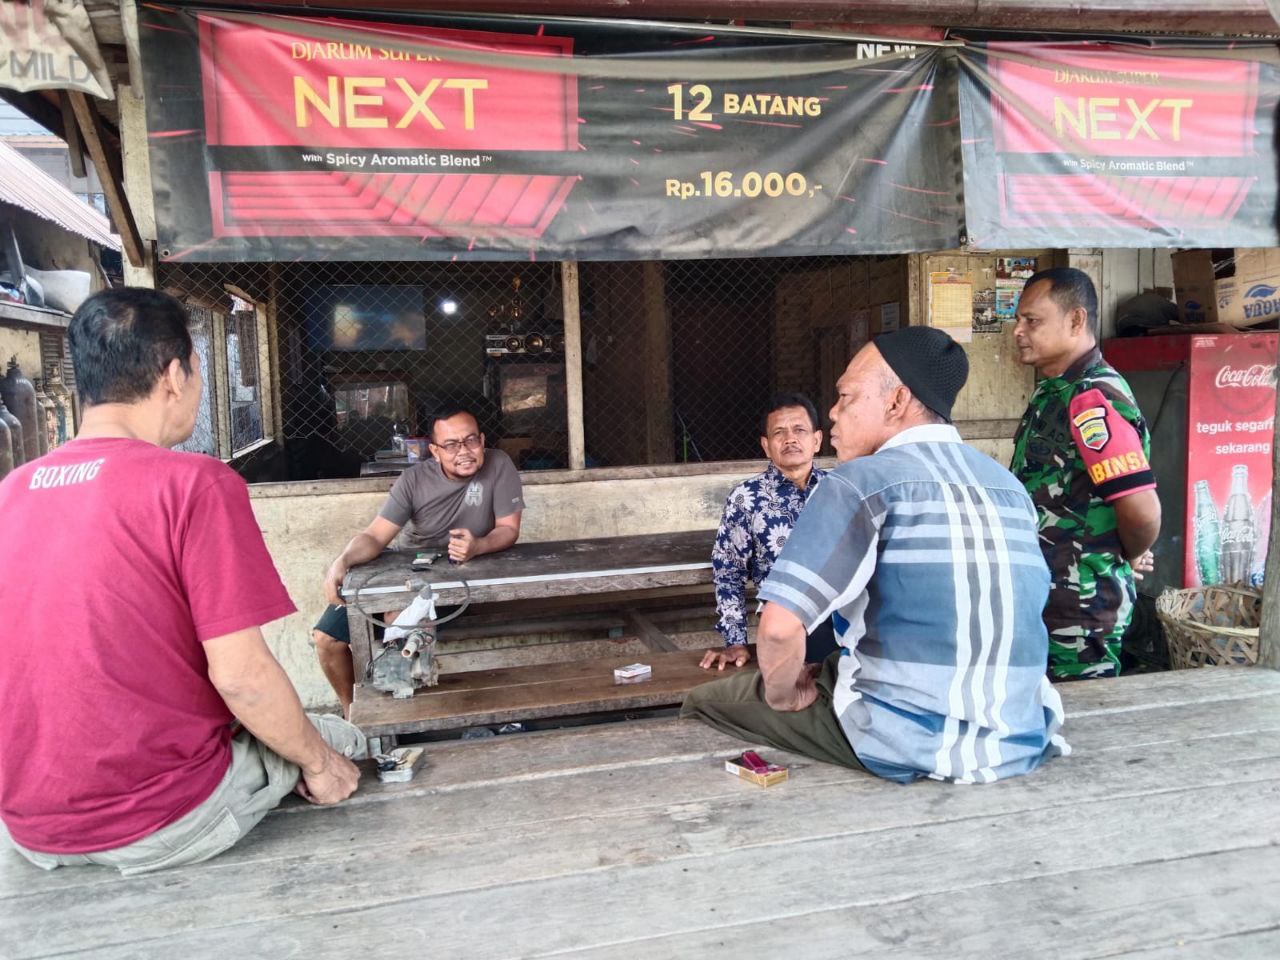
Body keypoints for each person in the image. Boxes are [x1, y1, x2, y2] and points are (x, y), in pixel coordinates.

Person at [0, 288, 364, 876]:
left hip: (32, 827)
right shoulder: (194, 484)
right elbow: (242, 679)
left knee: (302, 732)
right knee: (342, 743)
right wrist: (320, 767)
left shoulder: (12, 492)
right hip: (162, 819)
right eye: (196, 368)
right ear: (174, 375)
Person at [681, 327, 1068, 784]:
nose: (833, 412)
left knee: (703, 702)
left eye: (846, 396)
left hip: (900, 739)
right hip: (1019, 733)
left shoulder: (857, 483)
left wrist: (784, 697)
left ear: (896, 401)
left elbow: (779, 628)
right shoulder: (1009, 487)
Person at [314, 406, 524, 714]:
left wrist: (478, 546)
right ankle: (353, 715)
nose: (464, 451)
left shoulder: (498, 464)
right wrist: (342, 561)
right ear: (435, 451)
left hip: (457, 577)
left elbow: (508, 529)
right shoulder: (413, 480)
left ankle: (401, 717)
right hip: (405, 571)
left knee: (398, 621)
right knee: (326, 639)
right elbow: (375, 537)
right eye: (451, 445)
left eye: (470, 441)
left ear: (481, 440)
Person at [1011, 268, 1161, 681]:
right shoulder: (1054, 391)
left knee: (1082, 716)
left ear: (1076, 320)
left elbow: (1142, 512)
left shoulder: (1092, 398)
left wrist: (1123, 554)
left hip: (1079, 607)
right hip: (1046, 596)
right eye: (1018, 320)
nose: (1018, 331)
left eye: (1032, 321)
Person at [701, 393, 835, 671]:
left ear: (817, 440)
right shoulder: (746, 498)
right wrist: (735, 641)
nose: (790, 439)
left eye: (799, 430)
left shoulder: (840, 490)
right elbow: (728, 573)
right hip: (785, 625)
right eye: (779, 432)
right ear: (766, 445)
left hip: (843, 620)